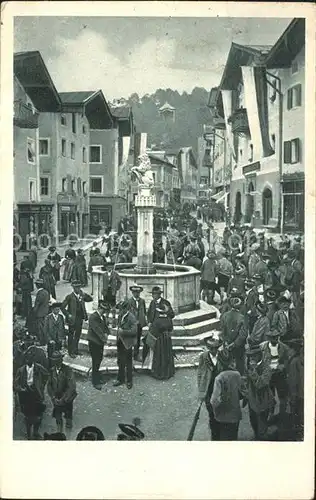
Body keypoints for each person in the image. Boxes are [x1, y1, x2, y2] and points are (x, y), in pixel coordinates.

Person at [14, 347, 48, 439]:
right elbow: (15, 384)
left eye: (31, 358)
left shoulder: (38, 367)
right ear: (25, 359)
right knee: (28, 416)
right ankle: (29, 434)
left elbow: (46, 375)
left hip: (36, 392)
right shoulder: (21, 370)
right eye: (27, 358)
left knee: (39, 414)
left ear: (33, 359)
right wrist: (21, 389)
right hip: (25, 394)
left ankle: (36, 432)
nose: (29, 360)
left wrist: (41, 385)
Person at [210, 349, 243, 440]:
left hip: (222, 416)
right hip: (235, 414)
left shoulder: (219, 378)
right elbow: (242, 392)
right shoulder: (237, 375)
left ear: (220, 363)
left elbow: (214, 401)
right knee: (233, 437)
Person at [244, 344, 274, 440]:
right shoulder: (249, 365)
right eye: (250, 356)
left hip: (263, 400)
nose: (251, 358)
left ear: (259, 355)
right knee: (253, 422)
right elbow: (246, 381)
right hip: (252, 400)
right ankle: (256, 437)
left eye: (253, 356)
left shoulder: (266, 368)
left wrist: (253, 371)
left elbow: (260, 384)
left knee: (262, 425)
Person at [197, 335, 224, 441]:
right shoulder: (203, 357)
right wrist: (201, 389)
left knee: (220, 411)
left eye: (215, 348)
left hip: (219, 389)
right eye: (211, 348)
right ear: (208, 348)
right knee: (211, 414)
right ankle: (215, 436)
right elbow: (200, 373)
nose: (213, 350)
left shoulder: (222, 356)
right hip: (209, 389)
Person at [260, 329, 291, 419]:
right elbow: (260, 360)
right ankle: (271, 413)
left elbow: (287, 360)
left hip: (280, 374)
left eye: (277, 337)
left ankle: (283, 414)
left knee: (282, 395)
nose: (275, 339)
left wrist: (283, 366)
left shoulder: (284, 347)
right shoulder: (262, 347)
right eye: (273, 337)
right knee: (270, 396)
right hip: (268, 375)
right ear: (269, 338)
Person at [146, 286, 175, 380]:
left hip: (162, 331)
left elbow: (172, 315)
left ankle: (161, 369)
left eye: (156, 294)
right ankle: (151, 367)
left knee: (161, 351)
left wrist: (167, 312)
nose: (154, 296)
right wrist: (149, 322)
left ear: (159, 294)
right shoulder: (152, 303)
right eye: (153, 294)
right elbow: (149, 313)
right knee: (152, 349)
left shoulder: (166, 303)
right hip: (153, 330)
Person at [47, 351, 77, 432]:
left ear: (61, 360)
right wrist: (53, 397)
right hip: (56, 399)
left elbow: (71, 386)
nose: (55, 362)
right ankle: (59, 434)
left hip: (67, 399)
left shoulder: (67, 370)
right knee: (58, 418)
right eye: (54, 360)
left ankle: (68, 434)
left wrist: (63, 399)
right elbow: (49, 385)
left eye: (57, 360)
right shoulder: (52, 371)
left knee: (68, 419)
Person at [61, 281, 93, 358]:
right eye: (76, 287)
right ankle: (70, 351)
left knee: (78, 335)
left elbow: (90, 299)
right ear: (73, 288)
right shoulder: (69, 297)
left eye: (79, 287)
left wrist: (84, 294)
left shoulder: (82, 295)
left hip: (80, 318)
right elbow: (62, 307)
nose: (78, 289)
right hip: (72, 319)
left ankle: (76, 349)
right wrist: (68, 315)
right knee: (71, 335)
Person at [114, 300, 138, 389]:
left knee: (128, 363)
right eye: (120, 309)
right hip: (120, 342)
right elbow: (118, 327)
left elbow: (134, 331)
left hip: (127, 343)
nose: (120, 310)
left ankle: (129, 381)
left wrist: (123, 332)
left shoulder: (132, 317)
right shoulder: (120, 316)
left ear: (126, 309)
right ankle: (120, 379)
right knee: (120, 361)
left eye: (122, 309)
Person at [220, 296, 247, 375]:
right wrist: (234, 344)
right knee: (239, 364)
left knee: (227, 362)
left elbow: (222, 330)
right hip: (238, 346)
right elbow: (243, 334)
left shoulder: (225, 315)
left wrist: (225, 342)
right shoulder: (242, 318)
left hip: (227, 343)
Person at [86, 300, 110, 390]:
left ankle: (97, 377)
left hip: (99, 342)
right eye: (103, 310)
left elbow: (105, 328)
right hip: (93, 342)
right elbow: (97, 330)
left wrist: (107, 333)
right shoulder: (93, 317)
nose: (104, 312)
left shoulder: (102, 317)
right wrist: (105, 340)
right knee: (95, 361)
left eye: (105, 310)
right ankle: (95, 381)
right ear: (99, 308)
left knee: (99, 359)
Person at [286, 338, 304, 439]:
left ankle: (296, 434)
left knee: (296, 415)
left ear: (293, 349)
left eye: (290, 348)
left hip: (296, 394)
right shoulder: (301, 360)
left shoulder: (294, 361)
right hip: (302, 393)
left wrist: (292, 397)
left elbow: (293, 381)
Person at [127, 285, 147, 362]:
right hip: (132, 324)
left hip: (139, 324)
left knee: (138, 339)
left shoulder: (142, 301)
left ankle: (136, 355)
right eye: (135, 292)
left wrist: (143, 321)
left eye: (138, 292)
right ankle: (129, 355)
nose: (136, 294)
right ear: (132, 293)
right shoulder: (129, 301)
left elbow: (144, 311)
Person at [32, 278, 50, 346]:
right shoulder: (46, 292)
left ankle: (41, 341)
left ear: (37, 285)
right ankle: (45, 340)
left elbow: (37, 304)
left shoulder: (39, 293)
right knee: (44, 328)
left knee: (40, 329)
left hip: (40, 313)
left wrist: (34, 312)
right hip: (45, 312)